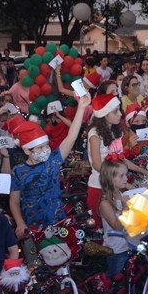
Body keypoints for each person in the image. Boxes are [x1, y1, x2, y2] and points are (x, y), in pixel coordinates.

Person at [9, 94, 91, 239]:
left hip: (58, 222)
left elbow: (71, 136)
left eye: (45, 145)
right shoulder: (18, 171)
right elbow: (14, 201)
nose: (45, 150)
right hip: (33, 227)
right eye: (39, 148)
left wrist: (81, 107)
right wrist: (20, 223)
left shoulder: (53, 161)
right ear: (27, 150)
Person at [86, 94, 148, 227]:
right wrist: (125, 183)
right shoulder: (94, 134)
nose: (120, 114)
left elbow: (120, 158)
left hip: (116, 185)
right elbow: (97, 164)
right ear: (105, 114)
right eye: (115, 111)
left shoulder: (114, 131)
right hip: (100, 187)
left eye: (119, 110)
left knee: (124, 223)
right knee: (104, 229)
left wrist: (143, 171)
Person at [97, 159, 131, 294]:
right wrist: (126, 206)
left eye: (126, 174)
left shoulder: (121, 194)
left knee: (128, 280)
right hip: (115, 250)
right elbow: (117, 225)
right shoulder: (105, 203)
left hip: (129, 246)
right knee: (113, 284)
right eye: (122, 176)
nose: (126, 179)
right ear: (110, 179)